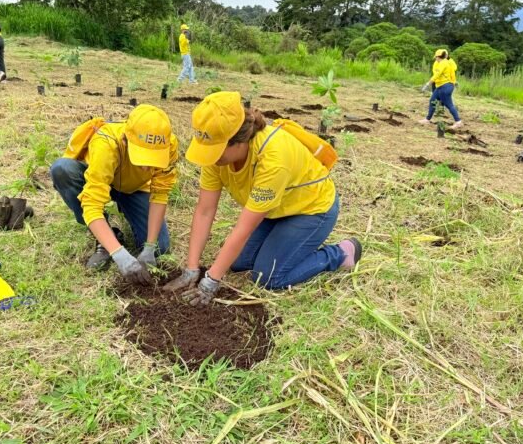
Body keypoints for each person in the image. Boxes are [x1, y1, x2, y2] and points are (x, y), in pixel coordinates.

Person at [162, 91, 361, 306]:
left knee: (268, 277)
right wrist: (191, 268)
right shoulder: (214, 158)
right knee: (238, 263)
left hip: (310, 210)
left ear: (239, 141)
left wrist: (210, 281)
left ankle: (339, 254)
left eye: (216, 151)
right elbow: (205, 210)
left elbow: (244, 228)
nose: (211, 158)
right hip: (274, 210)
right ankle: (285, 243)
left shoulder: (272, 157)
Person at [49, 105, 178, 284]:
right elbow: (92, 204)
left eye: (153, 159)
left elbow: (160, 194)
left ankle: (133, 230)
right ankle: (106, 237)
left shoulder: (168, 144)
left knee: (159, 249)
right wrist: (119, 254)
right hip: (101, 180)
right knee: (63, 169)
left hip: (135, 188)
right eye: (142, 158)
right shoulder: (107, 142)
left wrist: (149, 246)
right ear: (126, 140)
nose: (148, 167)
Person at [419, 49, 462, 129]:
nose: (435, 58)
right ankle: (427, 119)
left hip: (446, 86)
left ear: (439, 57)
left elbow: (437, 75)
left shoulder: (444, 63)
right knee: (432, 100)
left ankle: (458, 121)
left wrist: (428, 83)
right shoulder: (438, 63)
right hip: (440, 86)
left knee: (449, 104)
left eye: (436, 57)